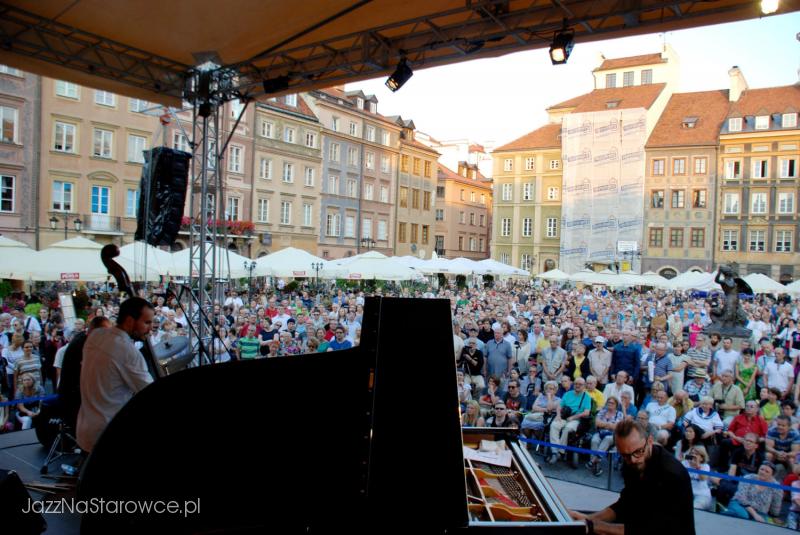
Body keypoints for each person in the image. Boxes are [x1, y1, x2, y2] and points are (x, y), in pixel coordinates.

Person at [569, 419, 695, 535]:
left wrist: (594, 526)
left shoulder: (672, 474)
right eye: (625, 455)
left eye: (639, 451)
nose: (633, 460)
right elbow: (626, 503)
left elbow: (652, 528)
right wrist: (588, 519)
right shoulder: (631, 457)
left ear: (650, 441)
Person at [77, 297, 154, 453]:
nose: (150, 328)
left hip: (85, 429)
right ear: (130, 321)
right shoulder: (127, 351)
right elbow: (151, 393)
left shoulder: (95, 336)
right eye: (147, 322)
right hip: (109, 434)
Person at [548, 377, 592, 464]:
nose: (577, 386)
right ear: (573, 384)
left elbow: (586, 413)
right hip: (564, 417)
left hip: (577, 419)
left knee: (567, 428)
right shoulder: (567, 394)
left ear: (584, 386)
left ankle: (560, 451)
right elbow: (559, 406)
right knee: (554, 425)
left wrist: (574, 417)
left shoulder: (587, 397)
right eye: (576, 384)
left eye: (580, 384)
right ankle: (554, 451)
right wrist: (558, 415)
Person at [587, 396, 623, 476]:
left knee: (607, 439)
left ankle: (593, 461)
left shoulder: (619, 414)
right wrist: (609, 424)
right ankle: (596, 465)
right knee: (594, 440)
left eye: (612, 403)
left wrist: (603, 424)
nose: (610, 404)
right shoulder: (602, 411)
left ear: (616, 405)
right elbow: (597, 423)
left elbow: (616, 427)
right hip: (600, 433)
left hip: (613, 435)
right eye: (609, 402)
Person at [682, 445, 714, 511]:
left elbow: (703, 478)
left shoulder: (705, 466)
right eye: (692, 453)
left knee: (694, 509)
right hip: (687, 493)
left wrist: (697, 466)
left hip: (702, 495)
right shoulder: (684, 463)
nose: (693, 455)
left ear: (702, 458)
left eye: (696, 454)